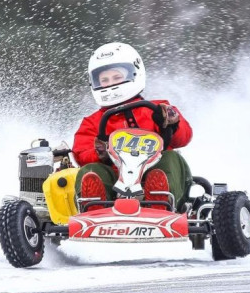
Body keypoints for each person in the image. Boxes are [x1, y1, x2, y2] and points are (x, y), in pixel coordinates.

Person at [72, 42, 193, 210]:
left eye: (116, 77)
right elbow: (80, 153)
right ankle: (95, 207)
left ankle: (159, 202)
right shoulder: (92, 122)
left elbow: (185, 137)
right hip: (115, 185)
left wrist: (172, 124)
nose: (110, 84)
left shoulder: (157, 109)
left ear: (135, 73)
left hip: (153, 174)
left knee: (171, 159)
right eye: (104, 80)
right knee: (91, 170)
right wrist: (99, 153)